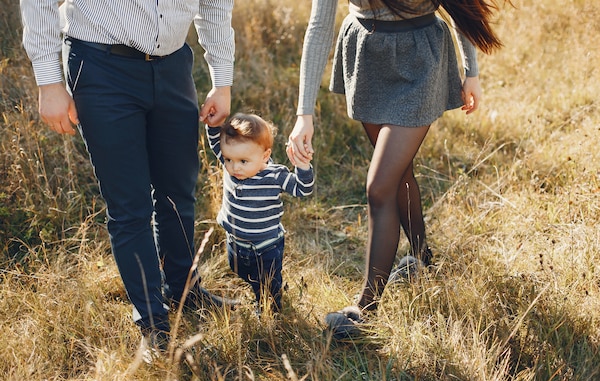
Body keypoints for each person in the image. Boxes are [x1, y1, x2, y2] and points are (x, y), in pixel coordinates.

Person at [20, 0, 237, 356]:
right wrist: (49, 81)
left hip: (174, 65)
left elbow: (215, 3)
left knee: (178, 192)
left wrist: (222, 80)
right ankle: (153, 323)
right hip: (101, 68)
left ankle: (184, 291)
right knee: (130, 206)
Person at [288, 0, 508, 338]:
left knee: (379, 186)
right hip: (367, 56)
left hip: (420, 57)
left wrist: (471, 71)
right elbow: (319, 28)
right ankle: (423, 259)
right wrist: (305, 114)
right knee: (398, 172)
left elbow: (462, 5)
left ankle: (366, 309)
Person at [207, 113, 315, 313]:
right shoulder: (230, 162)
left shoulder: (274, 175)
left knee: (269, 283)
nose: (234, 167)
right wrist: (213, 122)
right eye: (229, 159)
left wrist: (302, 166)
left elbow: (303, 189)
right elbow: (215, 139)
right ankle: (257, 289)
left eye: (243, 161)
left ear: (265, 156)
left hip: (265, 247)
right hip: (235, 242)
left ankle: (269, 310)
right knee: (240, 270)